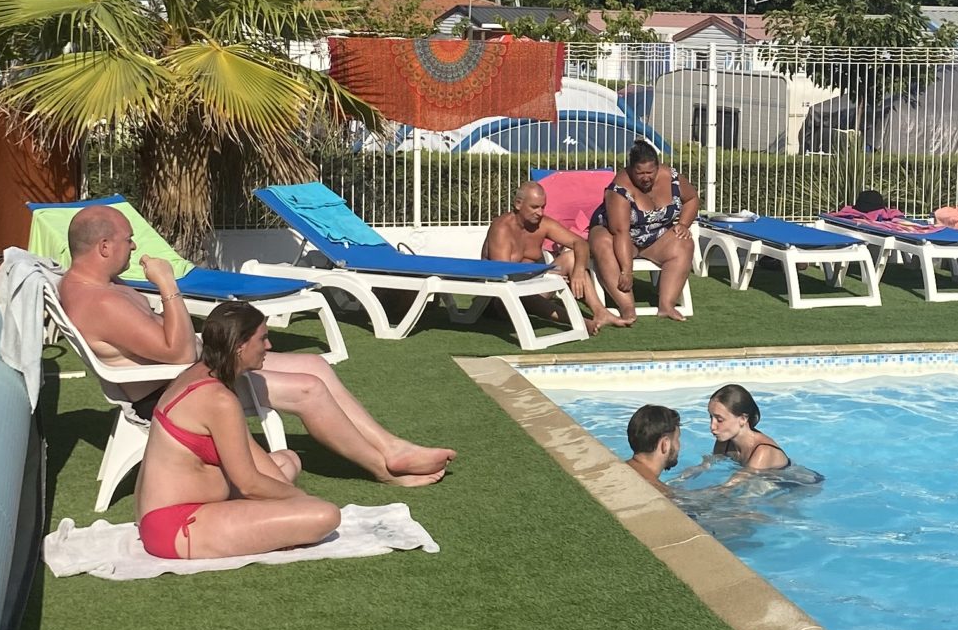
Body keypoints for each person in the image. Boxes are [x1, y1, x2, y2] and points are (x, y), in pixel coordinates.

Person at [59, 204, 455, 486]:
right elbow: (177, 352)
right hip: (173, 391)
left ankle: (393, 446)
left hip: (185, 370)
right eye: (128, 240)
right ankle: (383, 468)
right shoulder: (101, 301)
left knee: (315, 366)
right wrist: (167, 285)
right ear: (105, 247)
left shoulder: (97, 285)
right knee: (309, 390)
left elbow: (167, 338)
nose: (133, 247)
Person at [133, 301, 341, 562]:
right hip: (176, 524)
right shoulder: (218, 399)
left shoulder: (199, 374)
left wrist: (286, 503)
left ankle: (272, 524)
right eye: (263, 338)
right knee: (324, 515)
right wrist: (300, 500)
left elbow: (256, 460)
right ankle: (277, 527)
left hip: (165, 513)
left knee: (288, 460)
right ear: (240, 345)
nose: (268, 346)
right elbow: (249, 483)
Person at [588, 141, 700, 325]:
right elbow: (620, 232)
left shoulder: (672, 178)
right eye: (640, 173)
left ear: (657, 167)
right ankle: (627, 308)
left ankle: (667, 304)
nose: (646, 178)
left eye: (650, 172)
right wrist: (627, 270)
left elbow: (692, 198)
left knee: (684, 242)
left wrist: (684, 224)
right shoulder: (619, 190)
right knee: (602, 242)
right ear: (631, 170)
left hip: (656, 237)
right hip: (620, 238)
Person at [484, 179, 612, 333]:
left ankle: (600, 312)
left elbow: (580, 243)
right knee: (524, 294)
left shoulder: (542, 224)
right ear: (518, 204)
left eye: (543, 207)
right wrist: (546, 277)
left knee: (572, 257)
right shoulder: (501, 229)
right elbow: (502, 274)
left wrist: (578, 270)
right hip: (502, 299)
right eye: (534, 207)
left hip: (533, 284)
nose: (540, 213)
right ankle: (578, 320)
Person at [705, 384, 790, 475]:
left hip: (790, 484)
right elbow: (706, 465)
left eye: (719, 420)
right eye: (711, 417)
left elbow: (730, 487)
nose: (712, 426)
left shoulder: (762, 451)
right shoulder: (725, 440)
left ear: (743, 419)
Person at [626, 403, 681, 490]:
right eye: (677, 439)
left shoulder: (620, 467)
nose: (679, 445)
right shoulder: (661, 493)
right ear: (665, 445)